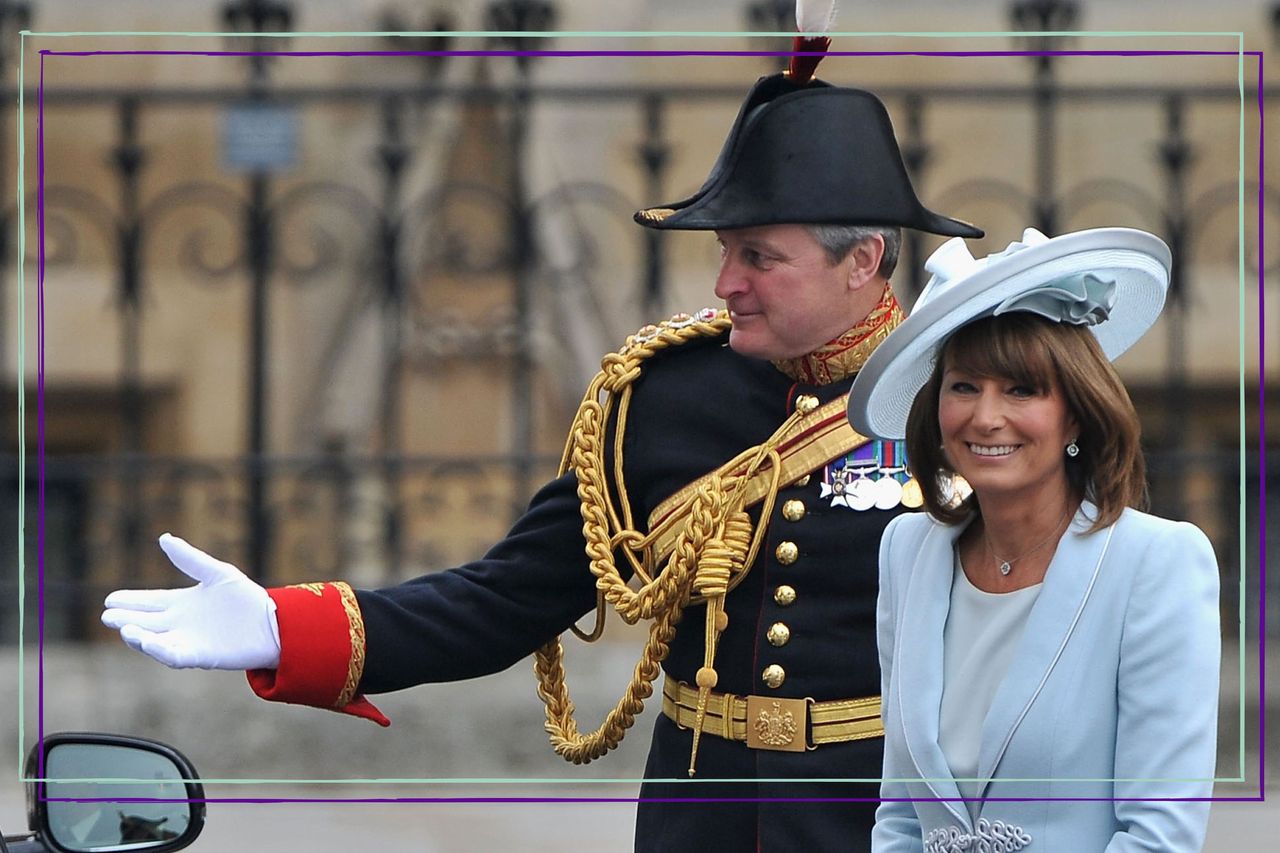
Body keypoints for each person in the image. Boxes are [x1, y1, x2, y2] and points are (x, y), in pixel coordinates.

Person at [100, 55, 985, 853]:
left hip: (879, 820)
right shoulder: (664, 396)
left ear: (863, 260)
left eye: (759, 256)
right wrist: (288, 628)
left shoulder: (965, 399)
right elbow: (511, 595)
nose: (725, 283)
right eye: (725, 253)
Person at [846, 227, 1220, 852]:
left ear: (1076, 411)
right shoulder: (906, 550)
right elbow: (902, 816)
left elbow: (1160, 836)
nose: (986, 416)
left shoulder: (1157, 562)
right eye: (964, 386)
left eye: (1021, 389)